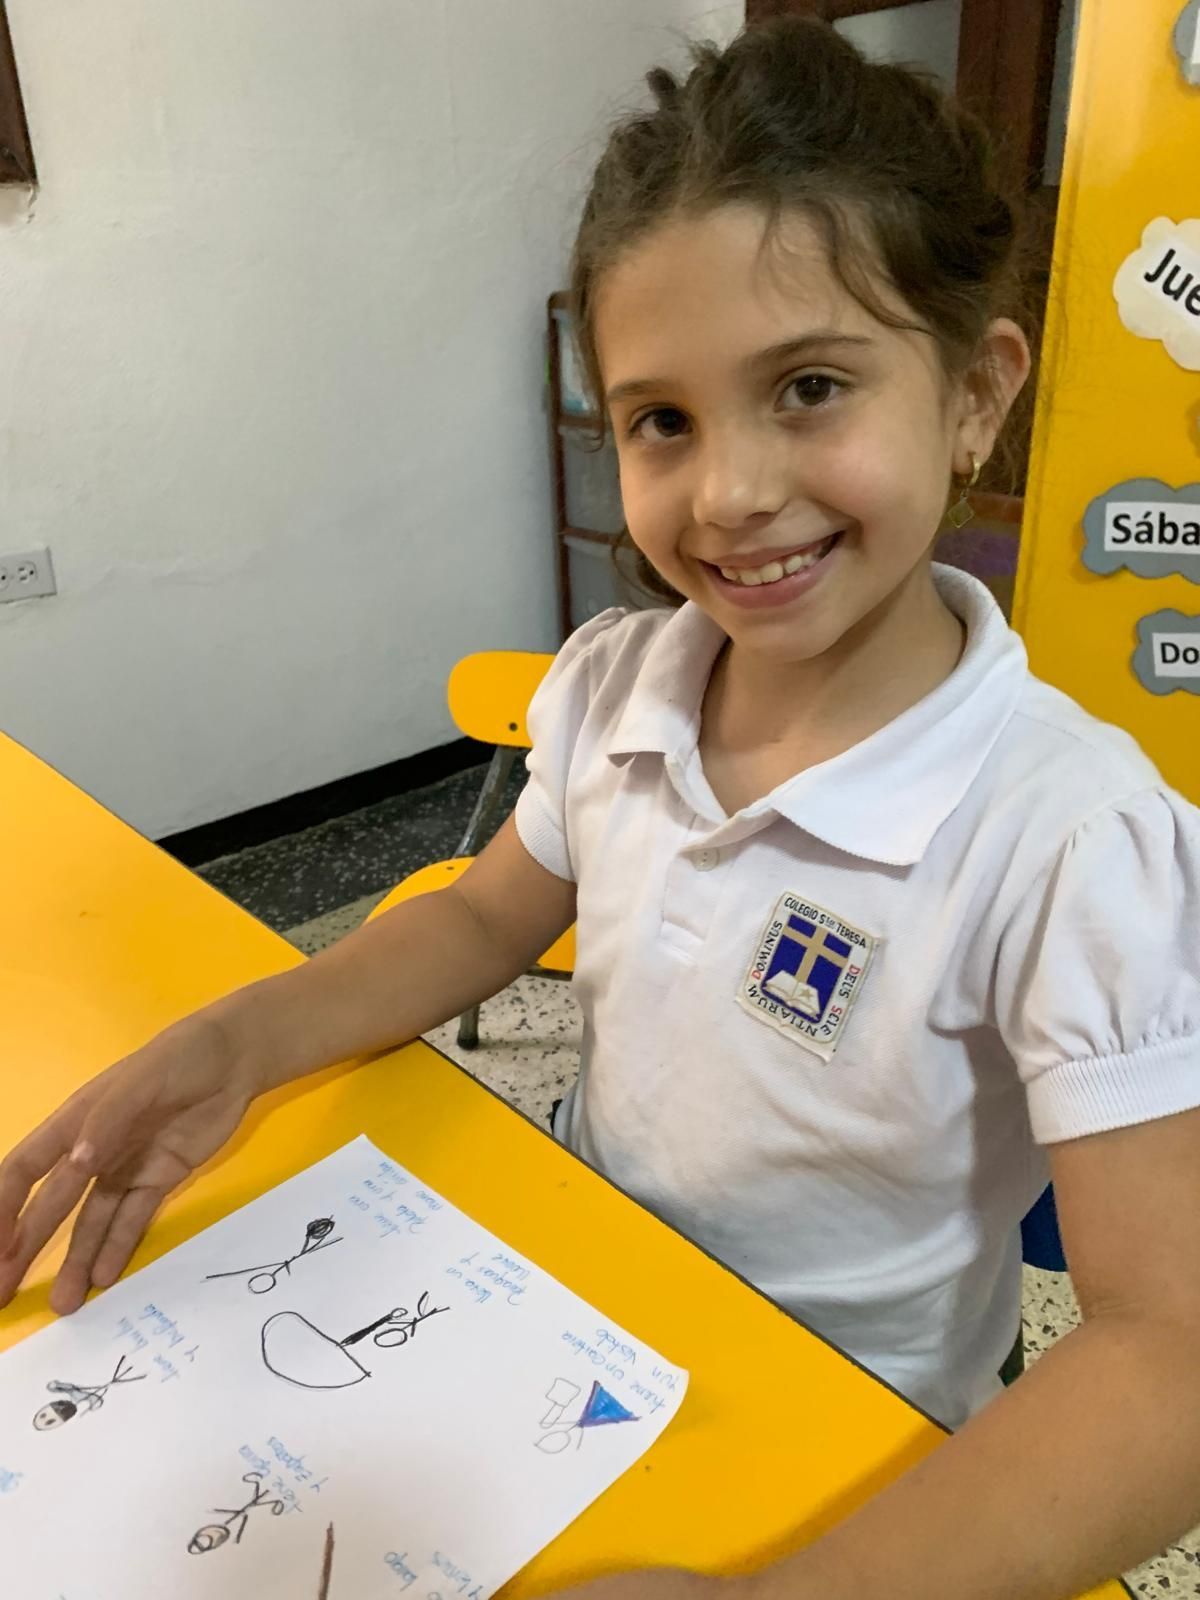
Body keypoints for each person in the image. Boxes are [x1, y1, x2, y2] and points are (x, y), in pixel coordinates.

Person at [1, 18, 1198, 1597]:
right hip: (567, 1340)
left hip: (853, 1467)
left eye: (812, 387)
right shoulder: (620, 682)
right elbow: (497, 911)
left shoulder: (1070, 831)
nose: (728, 493)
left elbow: (1168, 1360)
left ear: (977, 394)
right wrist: (250, 1036)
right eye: (663, 421)